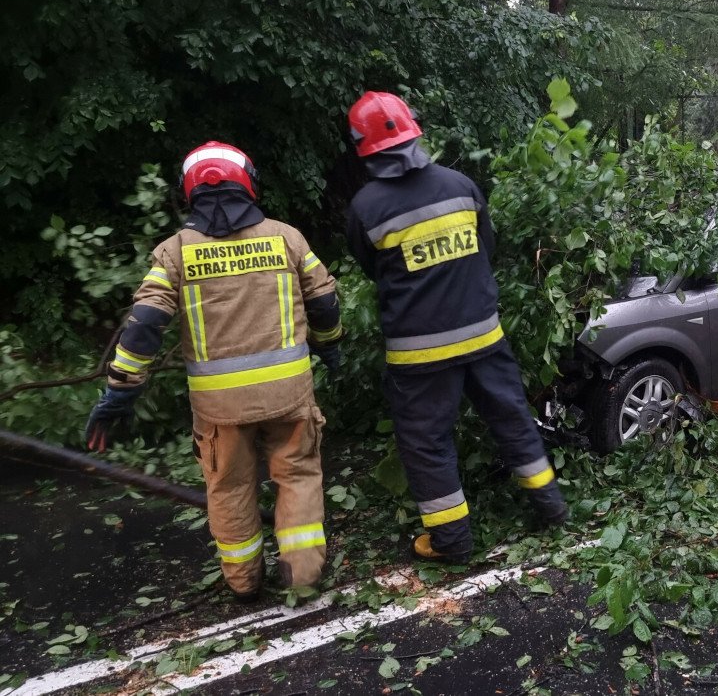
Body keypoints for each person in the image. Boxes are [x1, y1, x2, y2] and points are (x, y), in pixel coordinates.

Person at [85, 141, 344, 600]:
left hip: (219, 409)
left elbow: (145, 325)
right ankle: (302, 576)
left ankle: (244, 584)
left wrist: (120, 392)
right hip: (289, 396)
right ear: (249, 183)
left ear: (189, 192)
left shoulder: (175, 253)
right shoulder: (288, 238)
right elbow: (324, 302)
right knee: (299, 476)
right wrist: (330, 348)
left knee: (229, 488)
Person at [344, 91, 568, 563]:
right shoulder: (461, 185)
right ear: (414, 129)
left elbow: (373, 270)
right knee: (512, 422)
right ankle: (552, 508)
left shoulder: (366, 209)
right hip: (484, 336)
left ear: (362, 148)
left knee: (428, 446)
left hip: (419, 355)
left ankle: (452, 542)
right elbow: (487, 248)